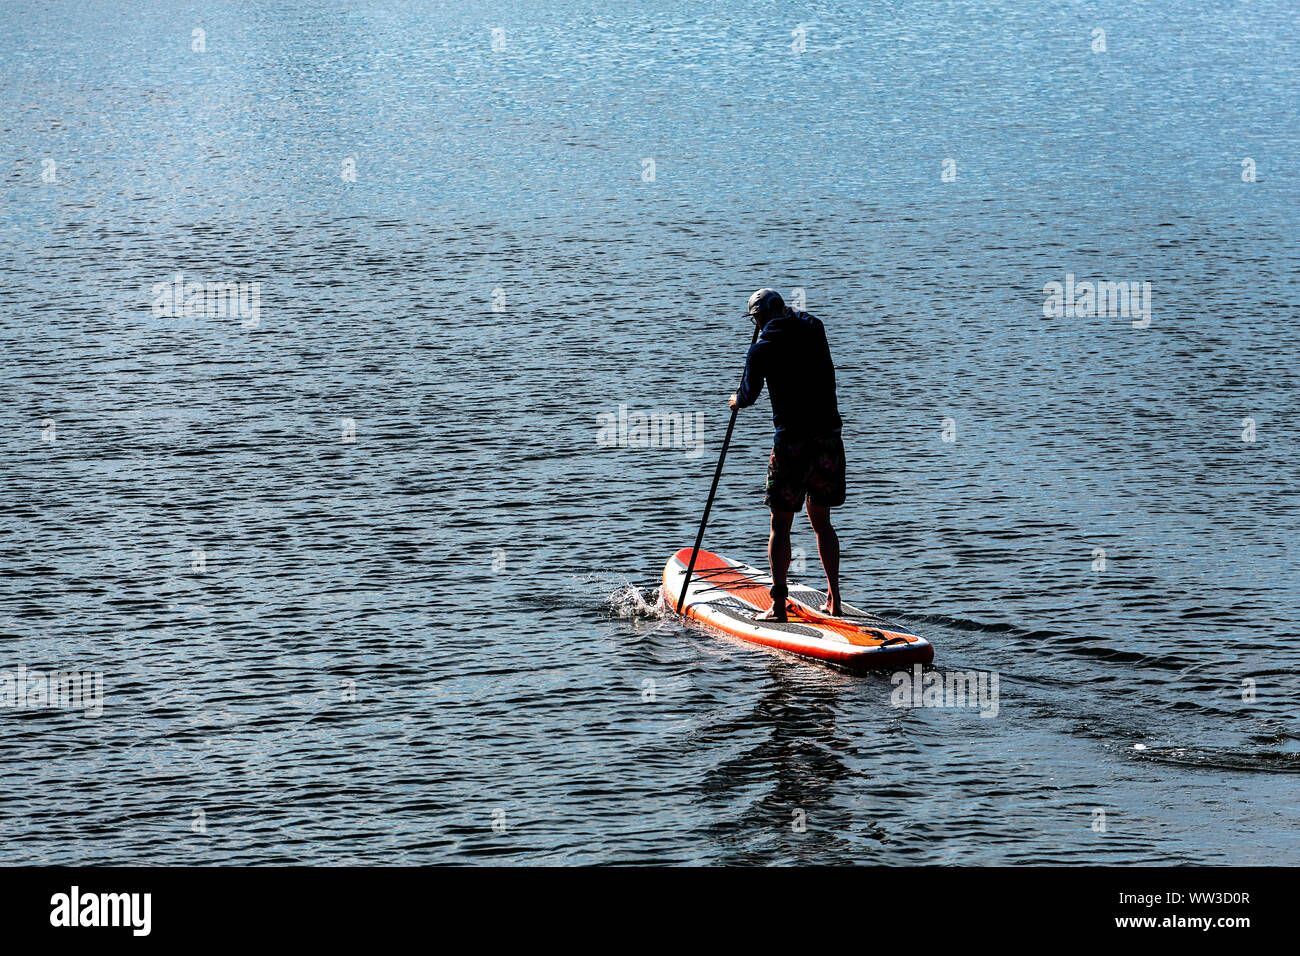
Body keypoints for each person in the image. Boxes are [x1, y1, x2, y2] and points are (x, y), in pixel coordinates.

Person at [729, 289, 845, 621]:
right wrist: (784, 312)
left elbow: (748, 396)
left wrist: (735, 400)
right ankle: (834, 599)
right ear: (784, 309)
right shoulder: (814, 330)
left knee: (781, 525)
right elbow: (806, 317)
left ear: (758, 319)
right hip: (828, 441)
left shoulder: (760, 350)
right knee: (822, 522)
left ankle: (778, 607)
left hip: (792, 444)